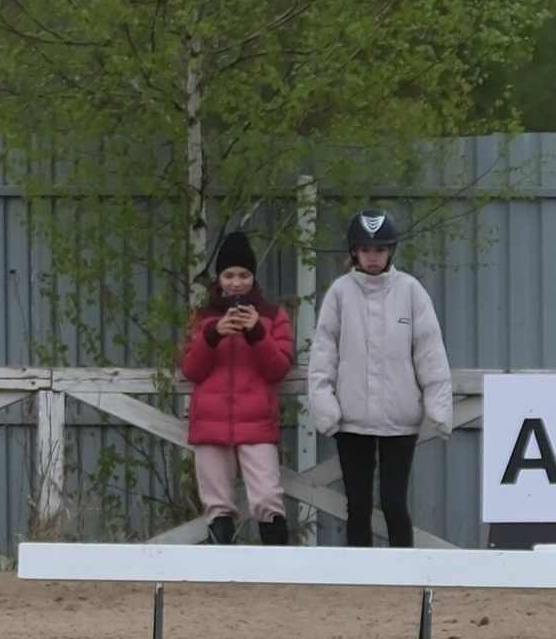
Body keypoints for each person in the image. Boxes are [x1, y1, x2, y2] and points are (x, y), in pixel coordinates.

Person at [307, 209, 452, 546]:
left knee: (393, 503)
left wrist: (439, 407)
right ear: (354, 252)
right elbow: (323, 354)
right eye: (366, 250)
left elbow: (430, 352)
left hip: (399, 419)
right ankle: (361, 572)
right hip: (351, 419)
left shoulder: (411, 291)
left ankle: (405, 569)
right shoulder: (340, 293)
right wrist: (325, 406)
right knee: (357, 505)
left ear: (391, 251)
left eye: (380, 250)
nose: (373, 257)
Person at [179, 229, 296, 544]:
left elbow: (278, 369)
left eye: (244, 275)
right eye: (228, 275)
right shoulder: (201, 317)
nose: (236, 283)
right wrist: (213, 335)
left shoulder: (273, 316)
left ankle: (277, 565)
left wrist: (256, 333)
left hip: (256, 421)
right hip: (210, 422)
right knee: (217, 507)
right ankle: (221, 565)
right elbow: (192, 370)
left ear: (253, 277)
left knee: (268, 498)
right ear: (218, 278)